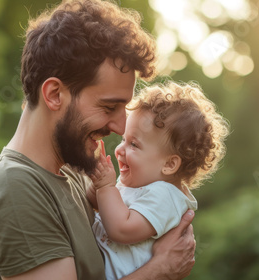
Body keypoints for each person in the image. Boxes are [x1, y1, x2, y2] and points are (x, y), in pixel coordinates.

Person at [0, 1, 196, 279]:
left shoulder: (73, 174)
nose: (121, 127)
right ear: (53, 94)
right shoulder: (15, 188)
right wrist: (161, 270)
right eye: (109, 107)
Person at [87, 82, 229, 279]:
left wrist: (104, 187)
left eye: (134, 144)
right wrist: (95, 186)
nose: (119, 150)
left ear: (170, 164)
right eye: (123, 140)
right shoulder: (135, 184)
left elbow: (121, 229)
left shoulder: (165, 196)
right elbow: (105, 207)